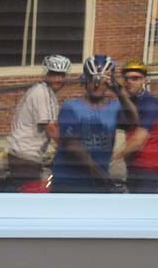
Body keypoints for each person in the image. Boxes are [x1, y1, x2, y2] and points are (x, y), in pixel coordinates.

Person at [51, 55, 138, 193]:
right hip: (69, 180)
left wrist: (119, 91)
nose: (97, 85)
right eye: (92, 80)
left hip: (98, 182)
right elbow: (72, 145)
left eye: (102, 80)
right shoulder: (71, 107)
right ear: (85, 81)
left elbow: (134, 121)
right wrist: (100, 174)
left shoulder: (114, 107)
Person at [6, 54, 71, 185]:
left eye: (61, 75)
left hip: (27, 155)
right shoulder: (41, 93)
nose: (58, 79)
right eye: (54, 74)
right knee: (36, 191)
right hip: (25, 156)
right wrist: (71, 151)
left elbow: (55, 125)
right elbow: (51, 129)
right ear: (46, 74)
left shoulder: (49, 94)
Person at [112, 60, 158, 193]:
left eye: (135, 78)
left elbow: (137, 142)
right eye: (127, 78)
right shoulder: (129, 103)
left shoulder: (149, 103)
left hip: (149, 167)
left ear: (144, 80)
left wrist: (111, 159)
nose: (130, 82)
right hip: (133, 166)